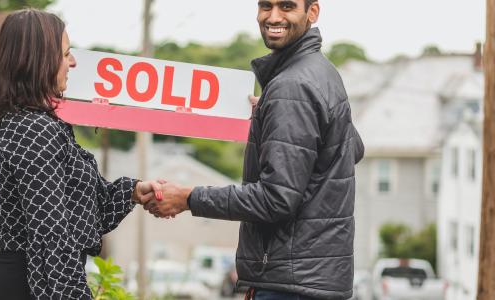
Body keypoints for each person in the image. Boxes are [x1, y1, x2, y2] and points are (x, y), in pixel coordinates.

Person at [146, 0, 365, 299]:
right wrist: (280, 118)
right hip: (312, 281)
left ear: (312, 12)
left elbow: (276, 199)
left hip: (290, 284)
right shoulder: (322, 72)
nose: (273, 16)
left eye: (287, 6)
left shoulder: (292, 87)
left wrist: (188, 197)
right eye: (266, 6)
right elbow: (353, 148)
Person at [0, 9, 161, 299]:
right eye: (65, 54)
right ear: (38, 61)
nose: (72, 63)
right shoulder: (34, 130)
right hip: (27, 283)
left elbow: (76, 210)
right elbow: (52, 238)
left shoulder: (18, 120)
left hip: (15, 277)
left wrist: (133, 192)